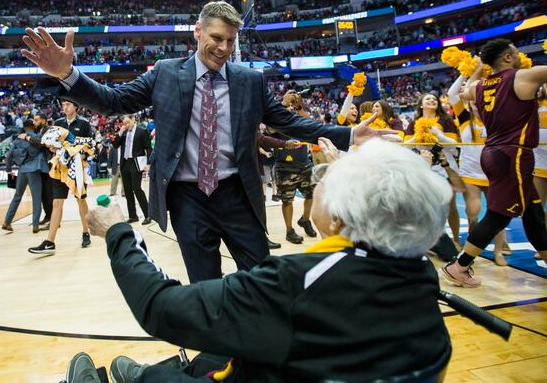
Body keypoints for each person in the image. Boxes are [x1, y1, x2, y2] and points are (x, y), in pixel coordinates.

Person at [20, 1, 396, 281]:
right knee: (205, 285)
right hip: (187, 199)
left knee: (262, 277)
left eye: (231, 41)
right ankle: (217, 363)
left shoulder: (249, 80)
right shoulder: (165, 74)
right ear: (197, 31)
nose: (224, 48)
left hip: (237, 193)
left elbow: (287, 121)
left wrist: (346, 133)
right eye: (217, 38)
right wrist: (68, 74)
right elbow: (114, 102)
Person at [64, 138, 451, 383]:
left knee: (181, 363)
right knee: (215, 350)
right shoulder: (418, 273)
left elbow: (161, 309)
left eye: (322, 183)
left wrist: (118, 233)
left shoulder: (295, 283)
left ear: (338, 218)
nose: (317, 186)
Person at [443, 39, 547, 287]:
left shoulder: (479, 86)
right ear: (508, 58)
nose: (520, 55)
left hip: (492, 153)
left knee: (534, 215)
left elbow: (464, 90)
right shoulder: (524, 77)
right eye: (515, 52)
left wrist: (480, 66)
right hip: (514, 155)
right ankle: (459, 266)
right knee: (498, 216)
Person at [447, 70, 510, 266]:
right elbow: (451, 94)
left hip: (495, 171)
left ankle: (498, 251)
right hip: (470, 172)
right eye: (473, 101)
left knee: (497, 213)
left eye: (478, 100)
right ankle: (476, 242)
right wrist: (471, 72)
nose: (475, 104)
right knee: (472, 213)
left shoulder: (498, 117)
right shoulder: (465, 118)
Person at [28, 100, 94, 254]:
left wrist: (73, 149)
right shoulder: (58, 122)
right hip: (59, 167)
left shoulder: (84, 124)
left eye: (68, 105)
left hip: (76, 166)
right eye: (63, 105)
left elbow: (89, 146)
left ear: (76, 107)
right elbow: (51, 144)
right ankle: (50, 242)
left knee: (81, 200)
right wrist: (51, 147)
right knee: (57, 202)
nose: (65, 107)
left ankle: (86, 232)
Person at [405, 93, 462, 249]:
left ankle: (456, 239)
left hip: (444, 166)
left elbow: (454, 145)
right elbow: (405, 146)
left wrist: (438, 135)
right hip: (422, 167)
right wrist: (416, 137)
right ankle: (431, 240)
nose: (431, 100)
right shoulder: (414, 123)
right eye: (427, 99)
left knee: (451, 206)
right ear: (421, 105)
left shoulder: (446, 121)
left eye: (434, 99)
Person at [272, 90, 318, 244]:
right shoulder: (277, 116)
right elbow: (270, 129)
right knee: (287, 200)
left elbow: (311, 124)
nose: (291, 106)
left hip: (304, 164)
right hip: (285, 166)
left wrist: (298, 109)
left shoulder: (299, 116)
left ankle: (305, 220)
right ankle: (289, 231)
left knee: (311, 195)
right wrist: (284, 106)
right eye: (290, 102)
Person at [2, 120, 47, 233]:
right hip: (34, 170)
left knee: (17, 197)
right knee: (36, 198)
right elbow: (42, 144)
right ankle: (35, 225)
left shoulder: (18, 140)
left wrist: (9, 170)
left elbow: (9, 156)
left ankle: (7, 222)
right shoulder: (35, 137)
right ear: (33, 126)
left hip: (22, 170)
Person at [113, 114, 152, 224]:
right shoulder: (124, 132)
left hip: (136, 163)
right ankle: (133, 216)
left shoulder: (142, 131)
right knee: (128, 191)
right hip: (125, 163)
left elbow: (149, 148)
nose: (126, 125)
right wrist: (120, 133)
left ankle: (148, 214)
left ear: (133, 119)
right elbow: (115, 145)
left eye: (127, 123)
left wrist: (149, 163)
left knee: (137, 188)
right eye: (124, 123)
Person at [23, 113, 53, 227]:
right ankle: (48, 216)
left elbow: (41, 143)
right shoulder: (40, 131)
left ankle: (54, 219)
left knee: (50, 193)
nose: (34, 122)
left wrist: (27, 137)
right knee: (44, 194)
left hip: (50, 166)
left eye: (36, 120)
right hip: (42, 166)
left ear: (44, 121)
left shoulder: (48, 130)